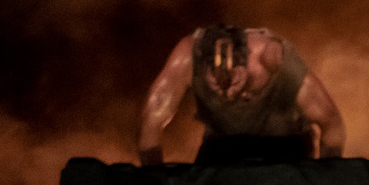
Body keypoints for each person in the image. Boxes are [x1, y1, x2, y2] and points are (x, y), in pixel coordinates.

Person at [138, 24, 345, 165]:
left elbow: (331, 122)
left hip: (286, 146)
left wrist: (323, 182)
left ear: (247, 64)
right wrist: (156, 184)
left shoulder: (272, 58)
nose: (226, 91)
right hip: (224, 147)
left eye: (233, 80)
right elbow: (152, 122)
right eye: (216, 83)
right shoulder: (186, 58)